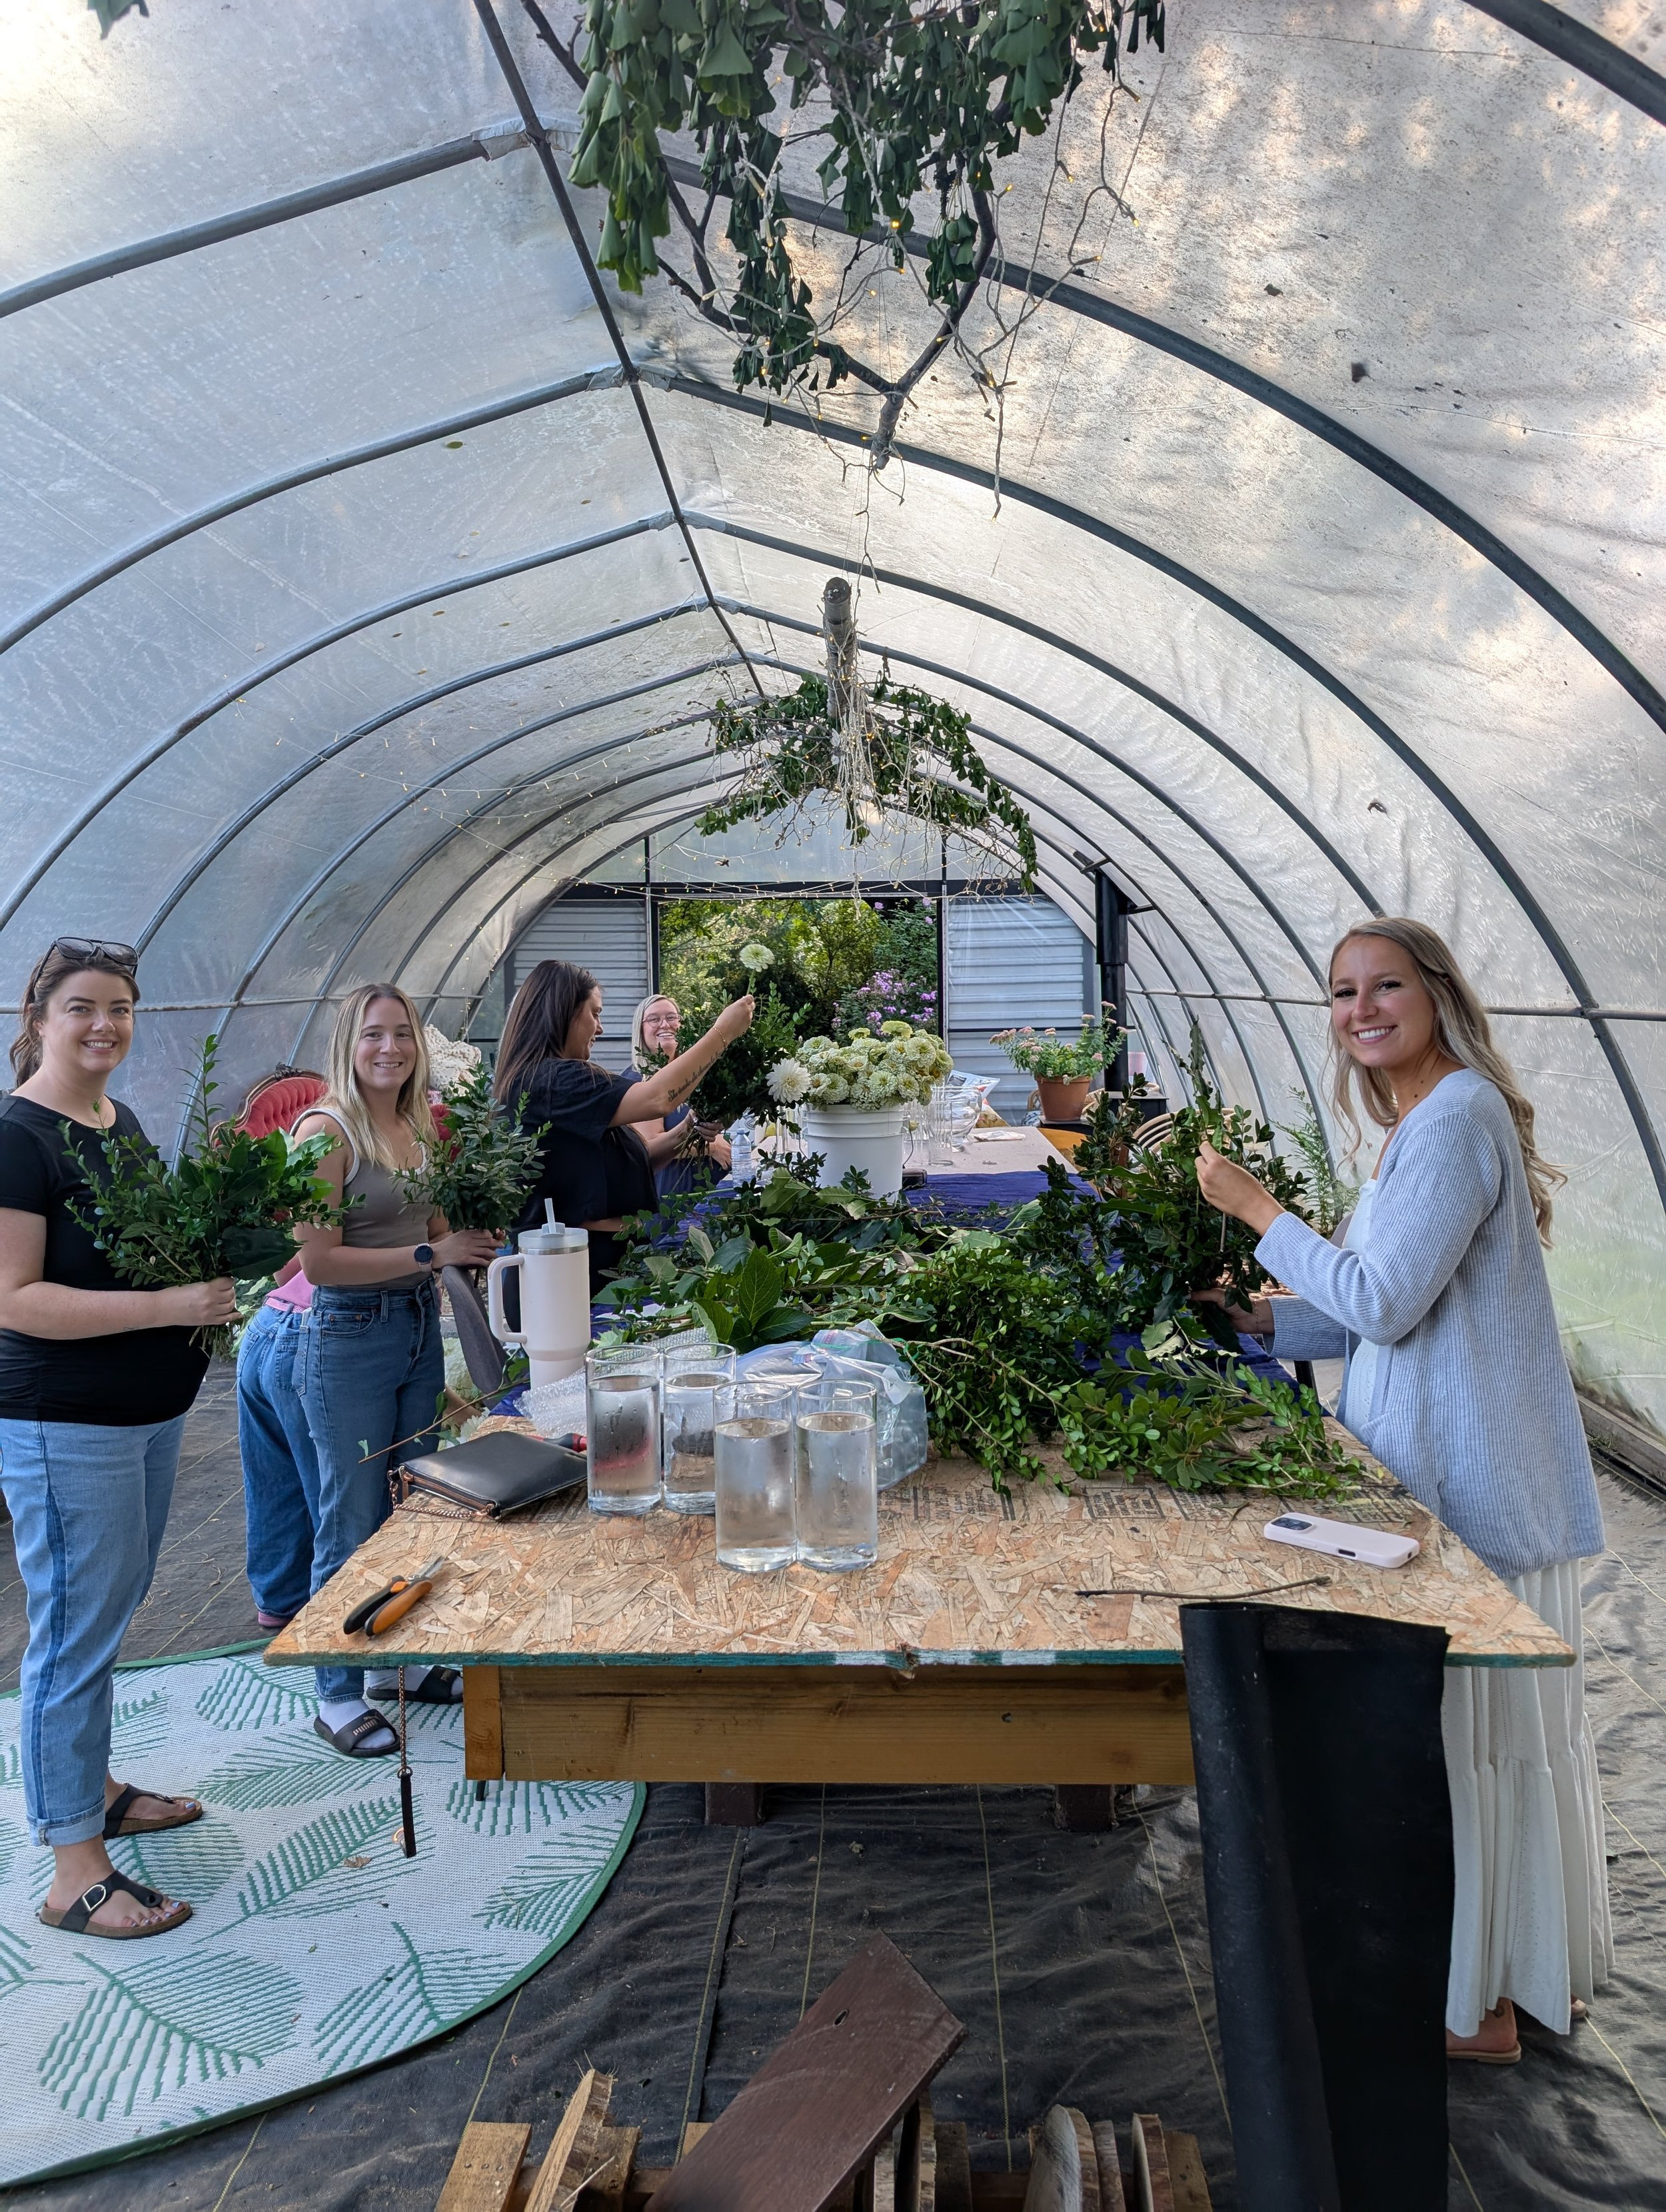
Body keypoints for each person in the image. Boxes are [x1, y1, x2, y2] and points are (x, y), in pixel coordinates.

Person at [1196, 916, 1609, 2063]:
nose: (1361, 1008)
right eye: (1342, 993)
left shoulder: (1458, 1118)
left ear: (1436, 993)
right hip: (1448, 1479)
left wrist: (1255, 1211)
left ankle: (1474, 2011)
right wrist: (1255, 1312)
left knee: (1457, 1756)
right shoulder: (1424, 1127)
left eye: (1385, 986)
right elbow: (1381, 1301)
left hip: (1474, 1491)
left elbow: (1381, 1305)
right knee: (1488, 1753)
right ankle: (1527, 1977)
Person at [0, 941, 238, 1938]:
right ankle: (74, 1873)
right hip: (67, 1421)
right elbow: (15, 1300)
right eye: (84, 1007)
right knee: (72, 1632)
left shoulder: (115, 1120)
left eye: (123, 1008)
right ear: (40, 1017)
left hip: (141, 1416)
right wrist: (170, 1302)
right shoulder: (19, 1135)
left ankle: (90, 1791)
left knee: (113, 1605)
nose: (106, 1025)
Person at [289, 986, 500, 1757]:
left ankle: (397, 1666)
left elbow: (435, 1223)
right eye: (373, 1034)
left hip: (414, 1326)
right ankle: (336, 1692)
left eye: (401, 1033)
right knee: (348, 1514)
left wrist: (467, 1237)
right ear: (348, 1043)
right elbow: (319, 1261)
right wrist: (430, 1254)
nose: (390, 1047)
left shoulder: (414, 1123)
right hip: (349, 1337)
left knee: (415, 1501)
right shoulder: (325, 1131)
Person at [494, 962, 752, 1291]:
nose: (600, 1028)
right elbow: (658, 1098)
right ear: (564, 1014)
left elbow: (637, 1157)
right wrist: (723, 1034)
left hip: (593, 1263)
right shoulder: (554, 1080)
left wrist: (691, 1127)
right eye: (595, 1013)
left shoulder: (546, 1079)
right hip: (572, 1275)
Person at [627, 993, 732, 1197]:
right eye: (654, 1019)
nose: (664, 1025)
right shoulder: (641, 1079)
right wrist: (710, 1147)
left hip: (708, 1194)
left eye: (671, 1018)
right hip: (671, 1196)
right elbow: (650, 1145)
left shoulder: (692, 1074)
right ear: (640, 1029)